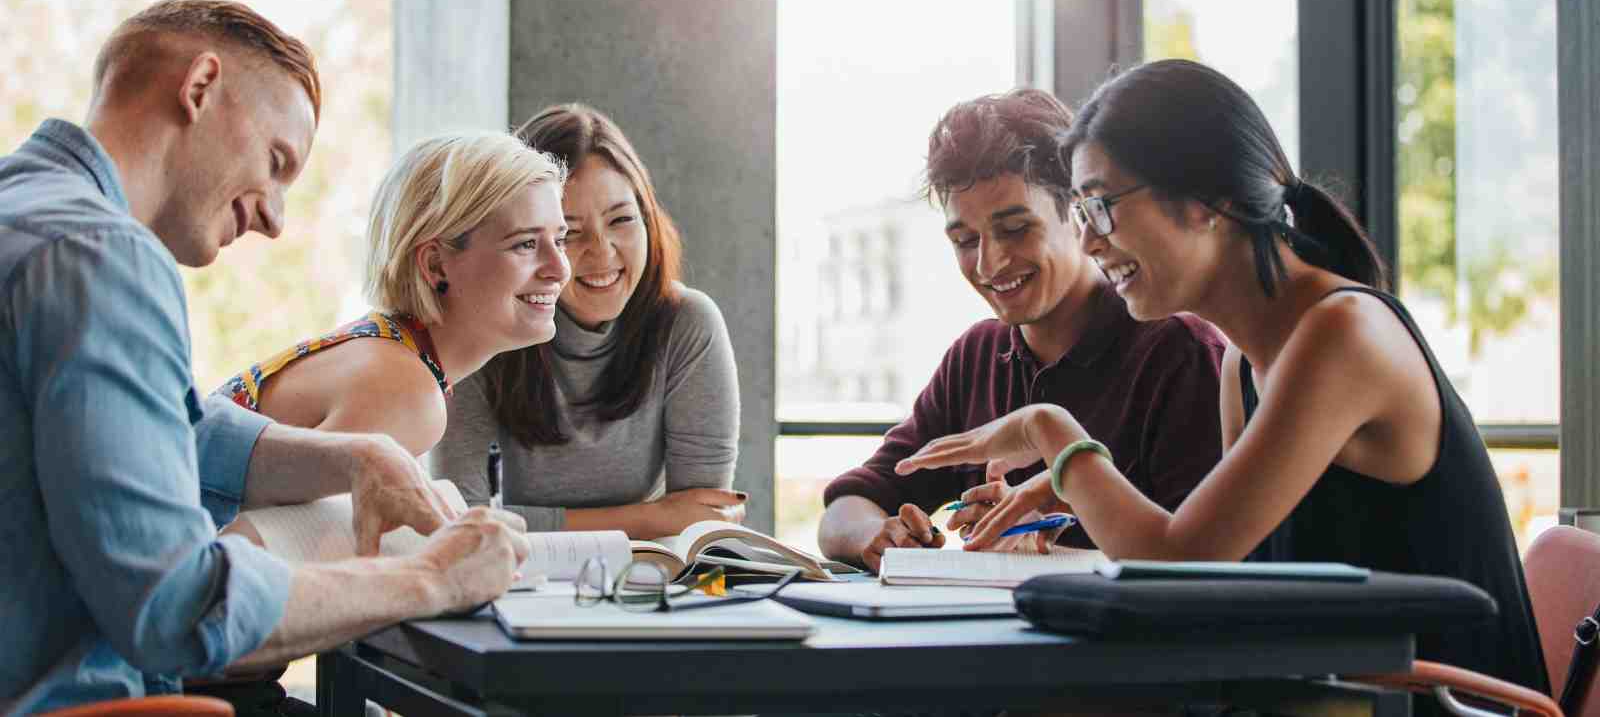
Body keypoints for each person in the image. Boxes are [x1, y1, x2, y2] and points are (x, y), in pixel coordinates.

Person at [896, 60, 1548, 697]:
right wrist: (1070, 494)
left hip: (1433, 703)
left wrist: (1052, 435)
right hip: (1342, 693)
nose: (1090, 242)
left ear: (1208, 202)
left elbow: (1174, 563)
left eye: (1101, 207)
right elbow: (1218, 572)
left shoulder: (1342, 334)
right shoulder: (1245, 360)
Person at [0, 0, 531, 716]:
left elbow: (176, 435)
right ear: (200, 88)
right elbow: (176, 607)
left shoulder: (27, 213)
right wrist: (434, 578)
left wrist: (357, 457)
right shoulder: (101, 256)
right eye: (276, 163)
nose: (275, 219)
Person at [817, 88, 1227, 573]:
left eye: (1015, 230)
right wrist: (876, 535)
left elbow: (1200, 563)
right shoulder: (977, 356)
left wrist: (1049, 536)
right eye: (965, 241)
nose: (989, 263)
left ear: (1078, 214)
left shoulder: (1179, 352)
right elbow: (846, 508)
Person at [432, 103, 745, 537]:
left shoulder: (687, 323)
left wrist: (665, 521)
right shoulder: (483, 326)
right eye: (569, 233)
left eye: (621, 220)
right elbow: (460, 520)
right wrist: (650, 516)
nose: (601, 252)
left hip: (651, 580)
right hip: (520, 580)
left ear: (649, 219)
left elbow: (700, 519)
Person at [215, 130, 571, 457]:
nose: (560, 268)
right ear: (435, 265)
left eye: (560, 240)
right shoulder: (405, 393)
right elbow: (267, 527)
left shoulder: (392, 352)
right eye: (525, 244)